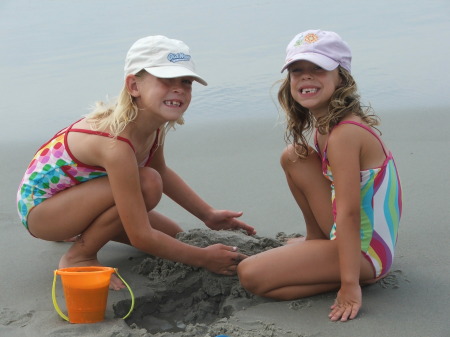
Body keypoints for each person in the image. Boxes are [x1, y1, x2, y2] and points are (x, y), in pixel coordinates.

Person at [17, 35, 255, 290]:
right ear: (133, 86)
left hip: (76, 201)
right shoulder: (115, 144)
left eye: (186, 82)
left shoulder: (152, 126)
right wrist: (204, 259)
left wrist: (208, 214)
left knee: (174, 236)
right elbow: (142, 235)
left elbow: (161, 169)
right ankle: (79, 256)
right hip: (43, 213)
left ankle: (85, 229)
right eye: (165, 80)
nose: (179, 89)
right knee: (149, 184)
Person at [237, 30, 402, 322]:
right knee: (294, 155)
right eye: (297, 71)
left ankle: (359, 278)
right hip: (347, 236)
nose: (306, 77)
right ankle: (316, 239)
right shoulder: (327, 125)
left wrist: (349, 286)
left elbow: (350, 213)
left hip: (367, 252)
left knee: (251, 275)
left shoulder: (345, 134)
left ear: (342, 78)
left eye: (318, 69)